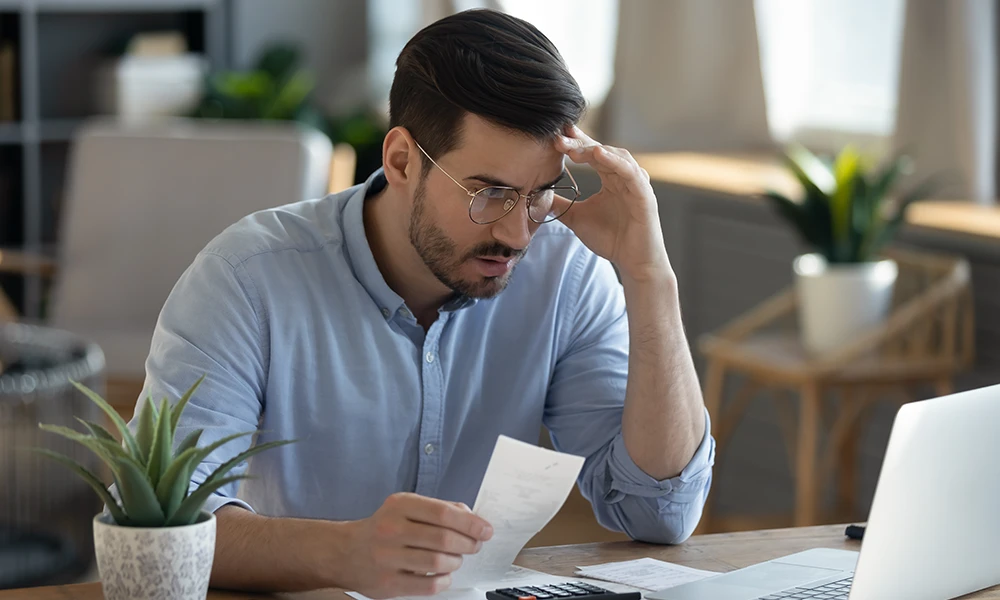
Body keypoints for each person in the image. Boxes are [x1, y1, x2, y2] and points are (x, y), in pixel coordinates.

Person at [133, 8, 714, 598]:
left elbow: (659, 514)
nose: (517, 234)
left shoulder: (566, 273)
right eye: (489, 193)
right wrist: (344, 552)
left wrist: (649, 277)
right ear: (402, 160)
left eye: (540, 194)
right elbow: (160, 528)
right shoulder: (245, 279)